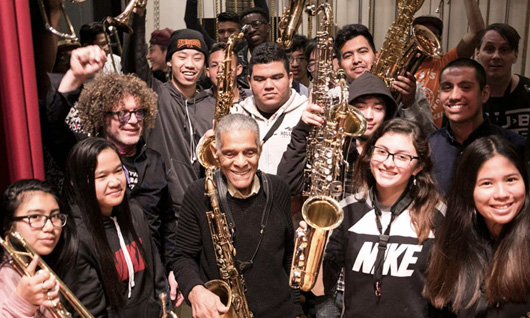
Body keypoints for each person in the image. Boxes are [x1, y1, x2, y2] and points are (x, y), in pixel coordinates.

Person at [42, 47, 180, 300]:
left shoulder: (154, 161)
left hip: (150, 279)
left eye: (139, 112)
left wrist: (173, 268)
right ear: (101, 116)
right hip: (100, 277)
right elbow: (53, 128)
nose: (133, 120)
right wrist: (75, 76)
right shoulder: (85, 155)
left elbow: (167, 222)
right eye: (121, 113)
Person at [173, 114, 302, 318]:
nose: (241, 163)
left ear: (260, 148)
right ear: (215, 153)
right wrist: (195, 290)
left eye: (249, 152)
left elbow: (288, 256)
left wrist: (296, 310)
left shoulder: (278, 189)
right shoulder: (198, 194)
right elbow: (182, 257)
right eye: (230, 154)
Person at [319, 118, 444, 317]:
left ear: (418, 166)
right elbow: (321, 288)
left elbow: (446, 293)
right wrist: (312, 243)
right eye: (382, 151)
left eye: (402, 157)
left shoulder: (437, 214)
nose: (388, 163)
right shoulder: (347, 210)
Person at [425, 135, 530, 317]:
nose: (502, 193)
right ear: (468, 190)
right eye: (487, 183)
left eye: (511, 179)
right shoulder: (451, 246)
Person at [61, 138, 168, 317]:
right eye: (102, 176)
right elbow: (90, 311)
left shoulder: (134, 212)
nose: (115, 182)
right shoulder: (77, 238)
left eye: (118, 171)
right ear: (76, 182)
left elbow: (157, 277)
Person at [429, 58, 525, 195]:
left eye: (465, 87)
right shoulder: (428, 147)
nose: (455, 96)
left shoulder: (514, 146)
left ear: (484, 94)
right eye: (447, 88)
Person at [145, 29, 214, 218]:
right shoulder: (155, 96)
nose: (189, 64)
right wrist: (138, 12)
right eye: (182, 57)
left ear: (205, 65)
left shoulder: (212, 104)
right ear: (169, 61)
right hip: (163, 210)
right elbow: (134, 64)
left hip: (203, 209)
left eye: (197, 58)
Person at [333, 24, 436, 134]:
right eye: (348, 55)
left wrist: (410, 104)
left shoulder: (406, 89)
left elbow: (430, 135)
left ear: (377, 56)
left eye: (363, 51)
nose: (356, 60)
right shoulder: (334, 96)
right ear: (339, 64)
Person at [0, 179, 74, 317]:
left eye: (55, 216)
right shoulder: (5, 276)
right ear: (10, 224)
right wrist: (22, 303)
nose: (50, 227)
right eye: (35, 217)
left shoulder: (48, 263)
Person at [237, 42, 308, 174]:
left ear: (290, 79)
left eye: (276, 78)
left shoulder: (307, 114)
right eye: (260, 79)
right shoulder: (237, 115)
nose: (269, 85)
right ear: (249, 82)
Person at [414, 0, 485, 127]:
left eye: (432, 36)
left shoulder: (445, 63)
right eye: (422, 34)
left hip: (435, 136)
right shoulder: (397, 65)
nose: (427, 40)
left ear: (439, 41)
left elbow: (477, 32)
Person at [475, 23, 530, 136]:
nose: (496, 56)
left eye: (504, 50)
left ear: (515, 55)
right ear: (477, 54)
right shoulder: (466, 95)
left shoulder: (528, 91)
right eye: (489, 49)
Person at [204, 42, 250, 113]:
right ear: (207, 72)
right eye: (214, 65)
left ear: (238, 70)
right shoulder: (199, 102)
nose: (220, 70)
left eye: (226, 64)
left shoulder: (253, 99)